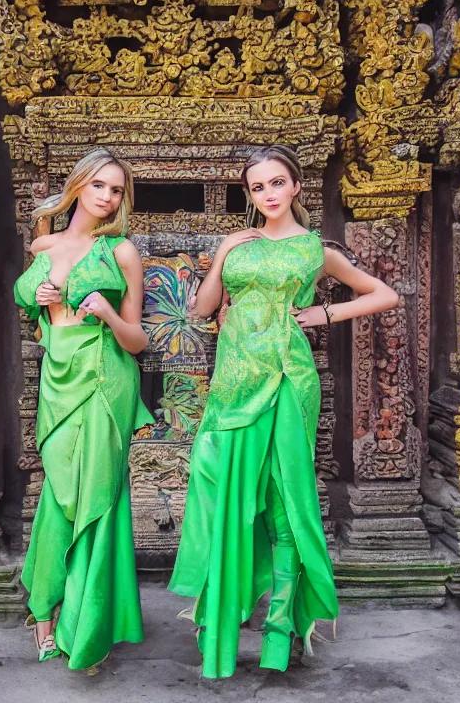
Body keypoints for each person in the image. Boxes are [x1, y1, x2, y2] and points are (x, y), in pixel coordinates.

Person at [168, 145, 400, 679]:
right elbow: (202, 310)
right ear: (249, 195)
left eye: (277, 183)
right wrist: (223, 251)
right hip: (230, 387)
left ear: (296, 187)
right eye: (257, 187)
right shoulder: (240, 245)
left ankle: (281, 632)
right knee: (226, 499)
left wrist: (322, 313)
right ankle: (219, 624)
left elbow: (382, 294)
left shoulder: (315, 249)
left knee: (287, 501)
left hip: (287, 381)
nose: (268, 194)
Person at [14, 148, 153, 673]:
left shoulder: (121, 253)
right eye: (99, 185)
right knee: (58, 493)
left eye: (116, 190)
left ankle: (82, 627)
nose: (107, 196)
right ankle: (44, 611)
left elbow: (138, 340)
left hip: (104, 375)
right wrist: (43, 297)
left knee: (96, 495)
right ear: (78, 187)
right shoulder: (44, 243)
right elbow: (36, 309)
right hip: (59, 377)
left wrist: (108, 313)